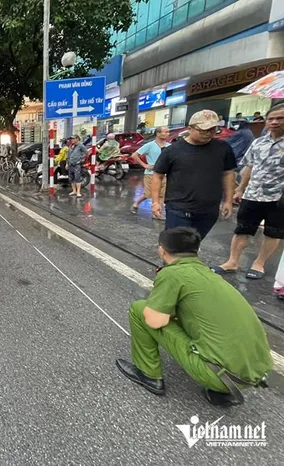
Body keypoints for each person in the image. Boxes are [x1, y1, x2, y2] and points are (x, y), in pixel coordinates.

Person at [116, 227, 272, 406]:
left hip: (218, 377)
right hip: (252, 375)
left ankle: (148, 374)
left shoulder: (172, 273)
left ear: (162, 250)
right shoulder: (209, 273)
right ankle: (222, 393)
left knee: (140, 309)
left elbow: (154, 320)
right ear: (197, 251)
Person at [214, 104, 284, 279]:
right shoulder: (258, 142)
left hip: (279, 197)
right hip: (253, 194)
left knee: (272, 232)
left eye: (280, 118)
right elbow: (250, 167)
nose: (274, 122)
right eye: (271, 118)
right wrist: (239, 189)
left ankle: (259, 264)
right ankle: (232, 262)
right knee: (242, 229)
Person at [151, 110, 236, 240]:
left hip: (209, 210)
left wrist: (228, 201)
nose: (208, 134)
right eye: (204, 130)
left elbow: (228, 174)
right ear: (190, 129)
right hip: (178, 209)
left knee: (194, 243)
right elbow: (158, 175)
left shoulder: (223, 148)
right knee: (175, 246)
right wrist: (155, 202)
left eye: (213, 130)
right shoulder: (172, 151)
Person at [131, 126, 170, 218]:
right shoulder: (150, 145)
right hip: (151, 174)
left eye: (168, 132)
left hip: (164, 174)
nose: (167, 134)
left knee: (161, 194)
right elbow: (134, 155)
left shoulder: (169, 146)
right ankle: (138, 204)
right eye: (165, 132)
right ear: (158, 133)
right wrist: (145, 165)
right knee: (150, 194)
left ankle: (157, 213)